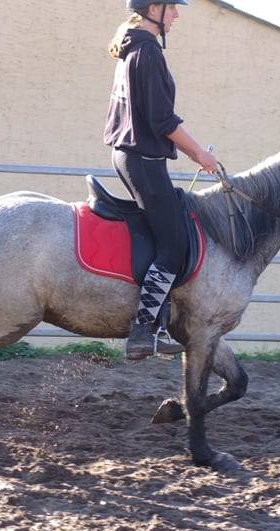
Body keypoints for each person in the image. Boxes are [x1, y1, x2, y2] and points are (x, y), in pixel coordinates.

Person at [104, 0, 218, 360]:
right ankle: (141, 332)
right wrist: (201, 154)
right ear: (153, 7)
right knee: (174, 246)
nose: (177, 15)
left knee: (168, 231)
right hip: (143, 161)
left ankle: (160, 322)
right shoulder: (148, 51)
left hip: (131, 156)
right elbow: (163, 121)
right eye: (172, 8)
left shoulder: (132, 46)